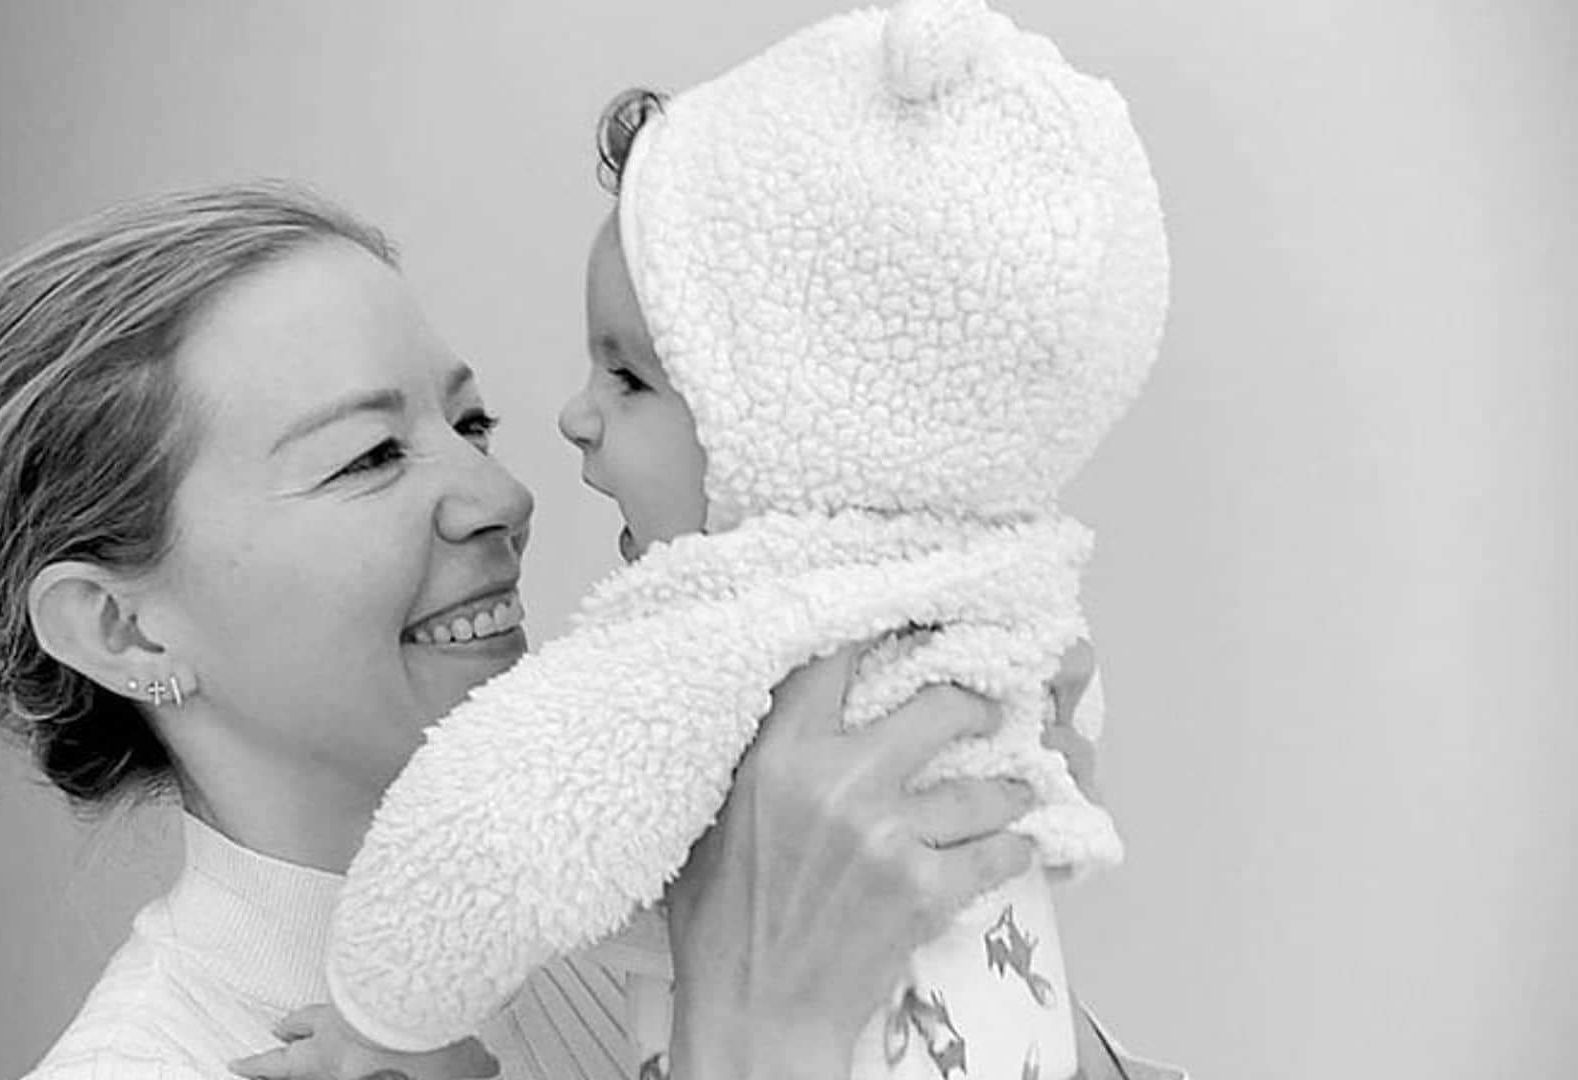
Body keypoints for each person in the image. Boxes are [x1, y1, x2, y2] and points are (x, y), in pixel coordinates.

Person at [0, 182, 1096, 1080]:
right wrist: (764, 1025)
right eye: (368, 456)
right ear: (121, 627)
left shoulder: (672, 877)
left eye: (469, 422)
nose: (503, 496)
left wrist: (981, 881)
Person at [271, 1, 1174, 1077]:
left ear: (812, 421)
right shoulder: (1005, 592)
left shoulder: (713, 649)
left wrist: (381, 1019)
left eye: (632, 377)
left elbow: (486, 828)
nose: (560, 428)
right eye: (367, 454)